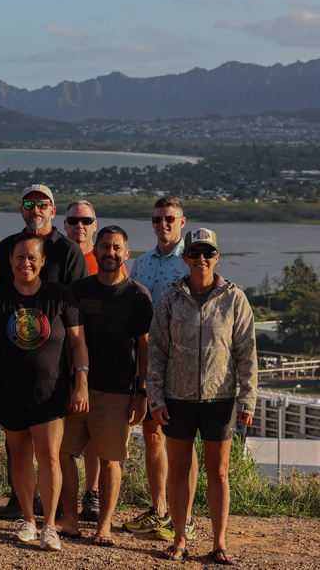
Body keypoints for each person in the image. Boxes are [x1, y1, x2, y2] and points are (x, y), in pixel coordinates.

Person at [147, 228, 257, 564]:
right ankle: (180, 538)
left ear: (217, 257)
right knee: (179, 469)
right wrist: (156, 397)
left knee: (219, 471)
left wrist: (248, 398)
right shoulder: (169, 298)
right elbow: (156, 352)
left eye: (208, 253)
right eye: (194, 253)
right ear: (185, 257)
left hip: (220, 397)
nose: (201, 259)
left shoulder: (234, 298)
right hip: (177, 397)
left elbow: (246, 351)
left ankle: (219, 542)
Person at [0, 234, 88, 552]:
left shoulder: (61, 296)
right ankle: (27, 519)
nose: (25, 262)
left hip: (50, 392)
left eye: (32, 257)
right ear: (10, 261)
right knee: (20, 456)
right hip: (7, 391)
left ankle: (49, 525)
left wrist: (81, 382)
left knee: (50, 456)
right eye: (19, 257)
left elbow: (78, 344)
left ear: (42, 262)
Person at [0, 184, 88, 519]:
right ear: (22, 209)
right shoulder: (8, 247)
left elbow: (76, 313)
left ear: (53, 210)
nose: (36, 209)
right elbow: (2, 299)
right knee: (17, 445)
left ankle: (59, 509)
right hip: (13, 360)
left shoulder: (69, 251)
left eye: (43, 204)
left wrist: (79, 375)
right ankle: (21, 501)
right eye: (29, 203)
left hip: (56, 364)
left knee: (54, 449)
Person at [59, 226, 153, 545]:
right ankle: (70, 519)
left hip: (117, 391)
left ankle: (104, 526)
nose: (110, 253)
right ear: (95, 251)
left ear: (126, 254)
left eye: (116, 248)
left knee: (110, 459)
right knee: (63, 452)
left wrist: (142, 393)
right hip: (77, 388)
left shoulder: (138, 295)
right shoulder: (79, 289)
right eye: (104, 247)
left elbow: (145, 348)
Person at [124, 196, 197, 540]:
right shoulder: (139, 264)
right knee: (152, 435)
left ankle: (189, 515)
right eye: (157, 219)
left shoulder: (191, 262)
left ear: (182, 222)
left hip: (182, 364)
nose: (163, 224)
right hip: (149, 364)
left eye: (169, 218)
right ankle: (160, 510)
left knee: (183, 441)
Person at [61, 199, 125, 521]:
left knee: (99, 443)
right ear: (65, 224)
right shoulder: (59, 254)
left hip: (108, 373)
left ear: (95, 224)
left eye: (85, 220)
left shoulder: (107, 260)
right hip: (70, 367)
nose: (79, 226)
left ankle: (93, 494)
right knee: (69, 440)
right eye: (73, 220)